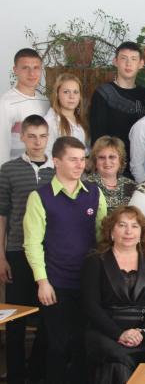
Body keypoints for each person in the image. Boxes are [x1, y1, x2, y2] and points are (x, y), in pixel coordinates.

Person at [23, 136, 107, 384]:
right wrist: (42, 282)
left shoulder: (94, 193)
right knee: (58, 346)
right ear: (56, 161)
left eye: (82, 159)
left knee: (84, 345)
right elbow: (32, 243)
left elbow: (103, 237)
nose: (80, 165)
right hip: (56, 284)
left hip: (89, 283)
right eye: (73, 160)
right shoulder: (39, 197)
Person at [81, 206, 145, 384]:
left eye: (134, 226)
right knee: (119, 361)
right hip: (106, 332)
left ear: (141, 233)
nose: (128, 231)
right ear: (111, 231)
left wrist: (143, 331)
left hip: (142, 333)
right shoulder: (95, 261)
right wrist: (119, 334)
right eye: (122, 225)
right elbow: (91, 306)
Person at [0, 115, 53, 384]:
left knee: (48, 318)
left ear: (48, 137)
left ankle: (37, 374)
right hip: (17, 252)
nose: (37, 142)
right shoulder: (8, 170)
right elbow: (2, 216)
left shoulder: (57, 169)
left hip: (48, 254)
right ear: (22, 137)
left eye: (42, 136)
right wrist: (1, 256)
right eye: (31, 136)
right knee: (16, 318)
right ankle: (16, 376)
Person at [90, 42, 145, 177]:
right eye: (124, 58)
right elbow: (98, 137)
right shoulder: (103, 94)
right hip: (112, 169)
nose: (128, 64)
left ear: (141, 64)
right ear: (115, 61)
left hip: (142, 168)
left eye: (133, 59)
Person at [0, 48, 49, 166]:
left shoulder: (45, 101)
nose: (31, 73)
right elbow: (1, 147)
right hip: (17, 172)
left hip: (44, 171)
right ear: (15, 70)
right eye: (25, 68)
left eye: (36, 68)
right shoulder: (6, 103)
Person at [86, 136, 137, 214]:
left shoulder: (132, 187)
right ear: (95, 162)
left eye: (112, 157)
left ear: (120, 161)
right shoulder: (85, 187)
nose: (107, 162)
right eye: (102, 157)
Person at [44, 73, 89, 156]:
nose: (72, 96)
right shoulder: (51, 122)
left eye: (76, 92)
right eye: (66, 92)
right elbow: (46, 155)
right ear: (57, 95)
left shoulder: (78, 118)